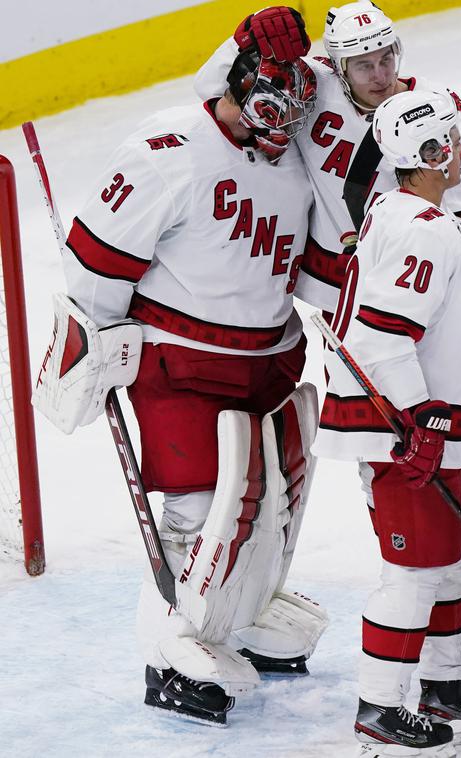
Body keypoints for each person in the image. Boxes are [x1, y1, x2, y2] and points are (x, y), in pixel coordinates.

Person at [195, 2, 461, 684]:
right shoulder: (308, 91)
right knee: (387, 464)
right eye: (364, 64)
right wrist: (247, 45)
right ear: (339, 66)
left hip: (433, 310)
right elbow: (213, 93)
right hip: (346, 318)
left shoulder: (442, 108)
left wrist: (411, 271)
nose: (380, 74)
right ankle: (421, 587)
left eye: (388, 58)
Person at [33, 45, 325, 725]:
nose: (282, 123)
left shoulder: (292, 159)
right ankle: (170, 658)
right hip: (183, 366)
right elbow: (96, 263)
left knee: (270, 507)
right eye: (268, 104)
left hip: (272, 359)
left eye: (293, 108)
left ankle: (242, 619)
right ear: (239, 84)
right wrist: (92, 344)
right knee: (201, 515)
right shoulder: (171, 149)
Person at [312, 89, 461, 754]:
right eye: (451, 142)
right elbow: (381, 336)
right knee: (411, 576)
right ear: (432, 154)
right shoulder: (425, 230)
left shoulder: (403, 215)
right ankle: (380, 709)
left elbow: (458, 298)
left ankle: (437, 683)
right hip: (405, 429)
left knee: (440, 566)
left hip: (422, 425)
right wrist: (421, 424)